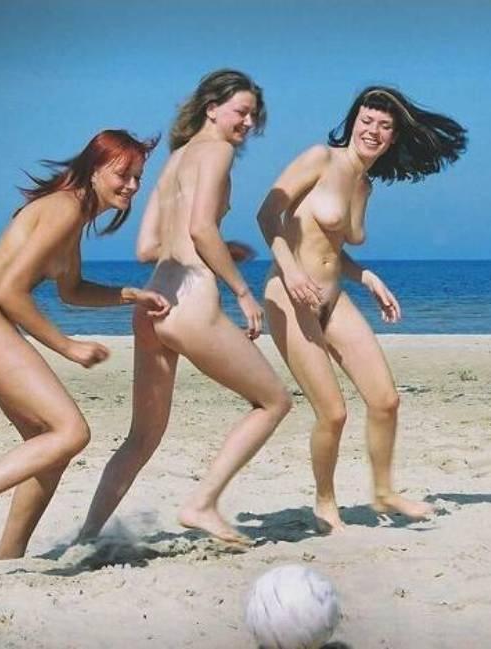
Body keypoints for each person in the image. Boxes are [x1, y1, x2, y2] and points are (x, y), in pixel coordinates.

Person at [0, 130, 170, 558]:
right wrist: (66, 346)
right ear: (94, 170)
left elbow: (71, 290)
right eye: (123, 174)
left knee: (47, 445)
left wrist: (129, 295)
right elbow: (10, 290)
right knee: (71, 432)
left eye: (138, 177)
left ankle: (7, 559)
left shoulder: (74, 214)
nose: (132, 186)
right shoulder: (65, 208)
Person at [78, 70, 292, 546]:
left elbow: (147, 247)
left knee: (141, 437)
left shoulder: (174, 161)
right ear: (211, 108)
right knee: (274, 401)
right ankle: (202, 504)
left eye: (253, 115)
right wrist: (242, 291)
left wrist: (221, 248)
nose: (248, 122)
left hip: (154, 302)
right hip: (193, 303)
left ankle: (87, 536)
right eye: (241, 111)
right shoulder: (217, 151)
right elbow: (200, 229)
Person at [257, 86, 467, 533]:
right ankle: (324, 501)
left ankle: (384, 491)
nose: (373, 130)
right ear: (352, 121)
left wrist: (365, 275)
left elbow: (331, 247)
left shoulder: (364, 184)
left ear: (393, 137)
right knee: (333, 413)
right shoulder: (320, 158)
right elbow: (267, 214)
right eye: (367, 120)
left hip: (333, 298)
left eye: (384, 126)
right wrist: (290, 272)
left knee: (385, 400)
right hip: (290, 297)